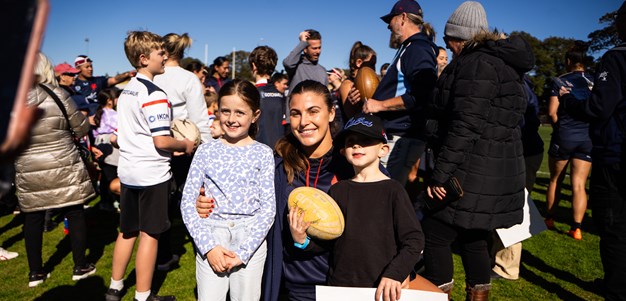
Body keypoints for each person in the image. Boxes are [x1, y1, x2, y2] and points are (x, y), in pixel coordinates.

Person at [422, 1, 533, 299]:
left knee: (434, 234)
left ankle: (437, 295)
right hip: (488, 172)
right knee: (474, 240)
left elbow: (466, 124)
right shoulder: (500, 64)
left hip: (470, 172)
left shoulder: (477, 64)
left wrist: (439, 174)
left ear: (461, 38)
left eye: (450, 41)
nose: (449, 46)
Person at [288, 113, 425, 301]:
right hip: (340, 288)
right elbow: (330, 239)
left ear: (383, 150)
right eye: (351, 141)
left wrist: (396, 273)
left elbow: (414, 239)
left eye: (366, 140)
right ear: (343, 152)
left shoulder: (393, 190)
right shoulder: (338, 190)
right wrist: (302, 239)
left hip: (381, 289)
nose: (357, 145)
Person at [105, 31, 194, 301]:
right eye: (160, 53)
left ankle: (114, 287)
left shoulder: (127, 90)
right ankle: (143, 296)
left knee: (127, 232)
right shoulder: (153, 93)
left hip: (129, 171)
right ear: (144, 59)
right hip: (151, 174)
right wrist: (185, 145)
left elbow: (122, 136)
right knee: (149, 235)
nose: (165, 56)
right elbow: (161, 141)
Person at [181, 79, 275, 301]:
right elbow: (187, 203)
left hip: (250, 240)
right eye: (225, 111)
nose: (232, 119)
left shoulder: (264, 153)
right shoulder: (205, 151)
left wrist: (243, 253)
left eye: (240, 113)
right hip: (212, 236)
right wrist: (208, 247)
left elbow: (268, 209)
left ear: (255, 115)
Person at [559, 3, 626, 299]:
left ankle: (616, 289)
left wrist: (570, 102)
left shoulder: (616, 59)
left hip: (615, 156)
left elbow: (599, 107)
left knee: (613, 230)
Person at [15, 52, 96, 287]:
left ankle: (35, 272)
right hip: (64, 163)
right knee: (74, 212)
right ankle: (80, 265)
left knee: (33, 217)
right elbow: (81, 129)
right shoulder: (58, 94)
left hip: (29, 165)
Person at [363, 0, 438, 189]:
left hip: (400, 135)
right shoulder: (411, 47)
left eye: (391, 19)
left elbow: (421, 95)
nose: (388, 25)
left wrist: (378, 105)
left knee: (383, 194)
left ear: (403, 18)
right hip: (398, 133)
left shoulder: (417, 49)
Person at [491, 76, 545, 281]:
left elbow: (519, 123)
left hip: (520, 151)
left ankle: (507, 266)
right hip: (524, 149)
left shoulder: (513, 83)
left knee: (512, 206)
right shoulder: (521, 82)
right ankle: (498, 257)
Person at [545, 41, 594, 240]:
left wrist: (560, 128)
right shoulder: (594, 80)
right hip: (587, 137)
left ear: (568, 61)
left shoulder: (560, 81)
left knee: (555, 179)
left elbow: (551, 112)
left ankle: (549, 219)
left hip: (564, 135)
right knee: (579, 184)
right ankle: (577, 228)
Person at [249, 46, 287, 149]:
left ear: (254, 66)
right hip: (280, 151)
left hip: (257, 152)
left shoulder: (251, 94)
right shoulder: (282, 95)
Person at [92, 88, 120, 212]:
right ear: (109, 100)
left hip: (99, 143)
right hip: (111, 143)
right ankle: (115, 200)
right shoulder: (114, 114)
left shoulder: (97, 114)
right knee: (113, 174)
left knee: (104, 174)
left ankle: (105, 201)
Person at [339, 41, 377, 119]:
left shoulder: (372, 81)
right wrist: (350, 104)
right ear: (359, 63)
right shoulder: (347, 85)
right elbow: (349, 116)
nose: (374, 68)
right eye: (372, 64)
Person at [283, 29, 328, 94]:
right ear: (305, 49)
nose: (318, 51)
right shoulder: (296, 66)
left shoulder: (323, 71)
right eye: (314, 48)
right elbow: (287, 63)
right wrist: (303, 42)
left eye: (319, 48)